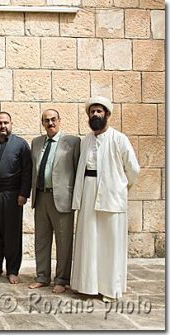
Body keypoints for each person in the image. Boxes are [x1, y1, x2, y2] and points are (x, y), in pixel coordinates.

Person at [71, 96, 140, 302]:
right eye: (92, 112)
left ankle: (110, 288)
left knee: (110, 244)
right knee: (89, 240)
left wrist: (121, 187)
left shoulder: (119, 139)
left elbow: (133, 169)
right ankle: (87, 285)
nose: (95, 115)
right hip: (88, 193)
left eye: (99, 111)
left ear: (107, 115)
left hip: (112, 196)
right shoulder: (86, 141)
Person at [28, 109, 80, 293]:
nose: (50, 123)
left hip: (62, 198)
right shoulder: (36, 142)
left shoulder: (73, 142)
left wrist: (77, 198)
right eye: (46, 120)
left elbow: (77, 172)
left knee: (63, 241)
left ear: (60, 120)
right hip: (41, 197)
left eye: (53, 119)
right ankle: (42, 277)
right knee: (41, 240)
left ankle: (61, 279)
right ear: (42, 123)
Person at [0, 112, 32, 284]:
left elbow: (27, 170)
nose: (3, 126)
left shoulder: (20, 145)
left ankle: (12, 270)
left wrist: (23, 193)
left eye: (6, 122)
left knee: (12, 233)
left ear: (11, 124)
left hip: (12, 195)